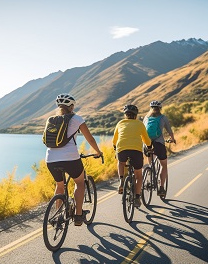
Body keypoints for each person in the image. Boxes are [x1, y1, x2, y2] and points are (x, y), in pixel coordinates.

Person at [45, 93, 103, 226]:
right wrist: (97, 152)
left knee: (59, 185)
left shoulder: (51, 119)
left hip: (50, 158)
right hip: (70, 158)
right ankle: (78, 215)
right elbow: (90, 139)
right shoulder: (77, 118)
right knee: (80, 182)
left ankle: (59, 216)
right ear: (71, 107)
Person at [112, 104, 152, 208]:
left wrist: (115, 148)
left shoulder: (120, 123)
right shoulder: (139, 124)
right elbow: (146, 140)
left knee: (121, 162)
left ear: (125, 115)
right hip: (136, 151)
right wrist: (150, 146)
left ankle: (121, 181)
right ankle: (137, 197)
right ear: (135, 115)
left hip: (122, 149)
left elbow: (115, 140)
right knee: (139, 175)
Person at [143, 100, 176, 196]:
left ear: (151, 109)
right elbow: (169, 131)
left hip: (147, 144)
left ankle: (151, 173)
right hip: (159, 144)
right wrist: (172, 139)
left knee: (150, 161)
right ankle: (161, 188)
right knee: (164, 165)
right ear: (160, 109)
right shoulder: (163, 118)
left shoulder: (146, 118)